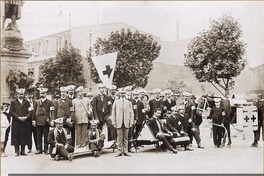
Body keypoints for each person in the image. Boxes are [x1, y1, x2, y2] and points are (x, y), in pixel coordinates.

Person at [111, 87, 134, 157]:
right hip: (119, 122)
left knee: (126, 137)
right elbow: (113, 113)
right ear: (119, 94)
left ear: (125, 93)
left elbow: (131, 113)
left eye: (124, 93)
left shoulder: (129, 103)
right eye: (121, 93)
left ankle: (126, 150)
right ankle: (119, 151)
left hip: (126, 122)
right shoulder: (116, 102)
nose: (123, 94)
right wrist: (114, 122)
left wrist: (131, 122)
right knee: (119, 137)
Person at [9, 88, 33, 156]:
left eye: (22, 94)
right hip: (16, 122)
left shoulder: (27, 102)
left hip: (25, 122)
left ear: (24, 95)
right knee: (16, 136)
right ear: (17, 95)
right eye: (20, 94)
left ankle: (23, 151)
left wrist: (26, 117)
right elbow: (11, 111)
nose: (21, 95)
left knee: (24, 136)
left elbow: (30, 111)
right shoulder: (13, 102)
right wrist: (18, 117)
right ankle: (17, 151)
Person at [33, 87, 54, 154]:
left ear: (46, 94)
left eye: (43, 93)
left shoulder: (49, 102)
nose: (42, 94)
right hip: (38, 121)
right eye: (41, 93)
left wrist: (51, 120)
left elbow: (52, 111)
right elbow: (34, 111)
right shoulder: (37, 102)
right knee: (38, 135)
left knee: (46, 135)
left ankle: (46, 149)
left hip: (45, 121)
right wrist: (33, 120)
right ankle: (39, 149)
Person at [25, 88, 37, 153]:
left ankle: (38, 147)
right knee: (28, 134)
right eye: (28, 94)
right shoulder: (25, 102)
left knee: (36, 134)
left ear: (33, 95)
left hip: (34, 120)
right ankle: (29, 148)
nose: (30, 96)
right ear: (26, 95)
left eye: (31, 94)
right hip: (27, 121)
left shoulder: (35, 102)